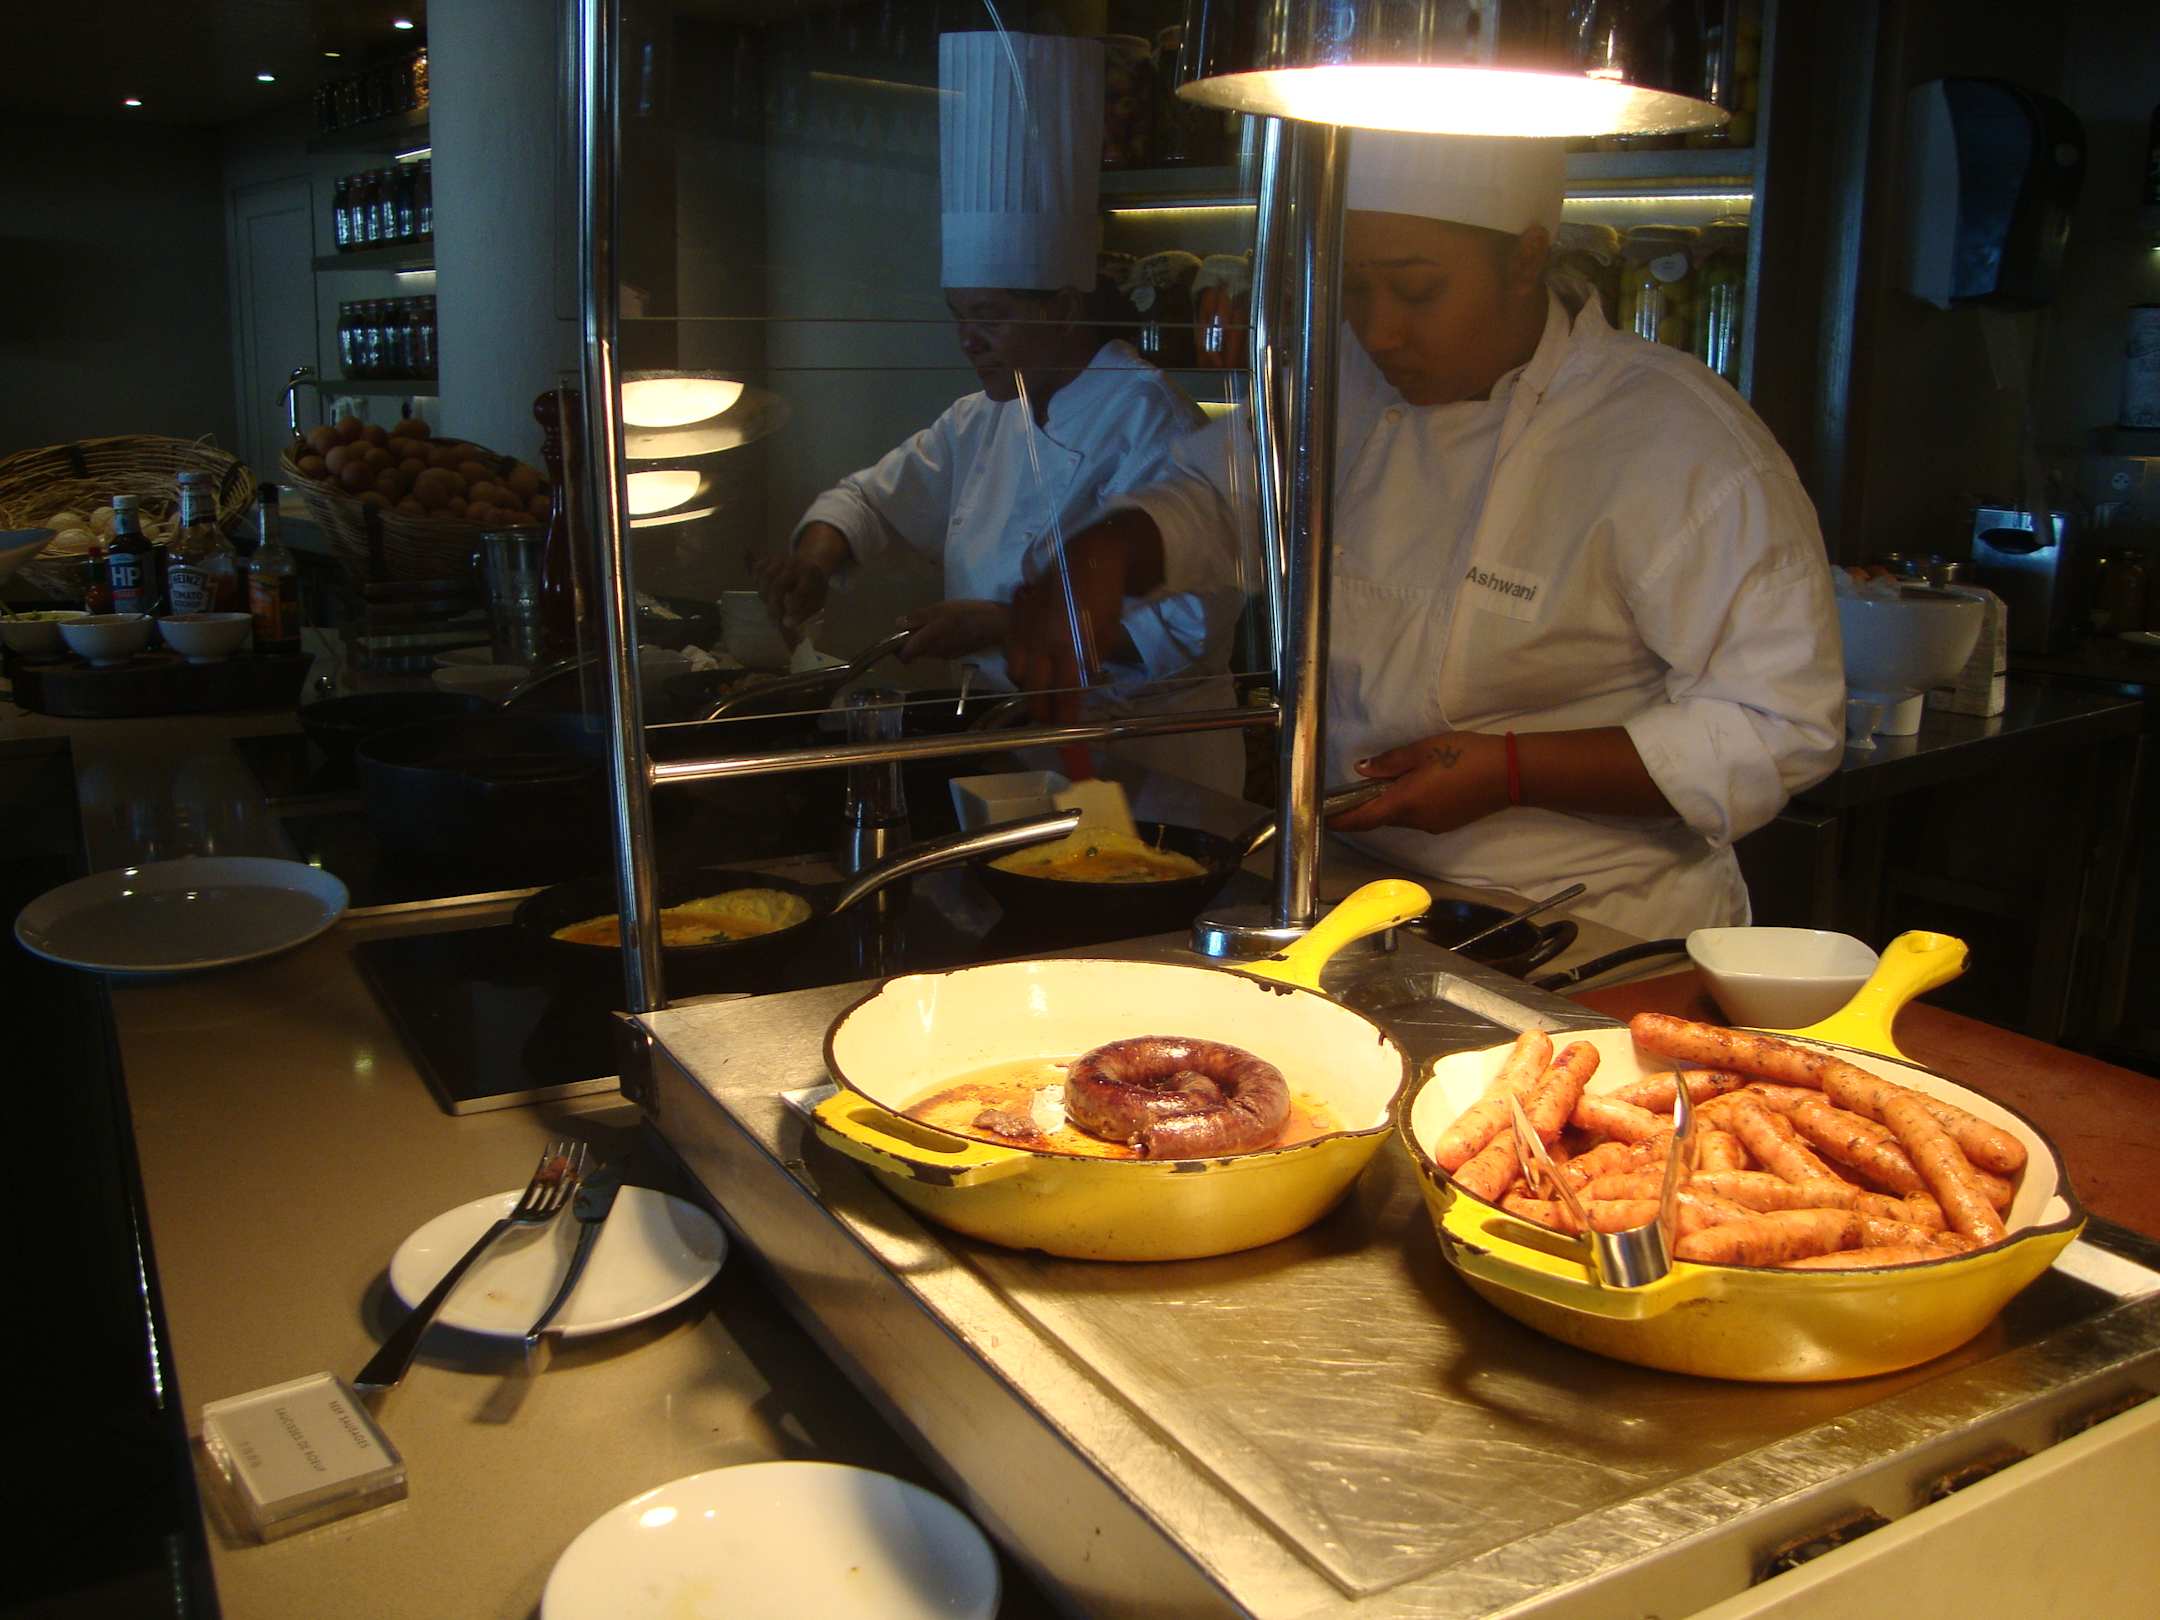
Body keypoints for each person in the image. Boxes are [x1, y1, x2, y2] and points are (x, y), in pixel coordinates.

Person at [1005, 134, 1844, 936]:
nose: (1379, 332)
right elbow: (1224, 502)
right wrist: (1105, 552)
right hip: (1351, 889)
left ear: (1526, 257)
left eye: (1416, 291)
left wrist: (1512, 771)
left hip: (1591, 921)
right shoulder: (1343, 375)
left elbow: (1780, 725)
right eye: (1354, 289)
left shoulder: (1677, 437)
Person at [755, 30, 1247, 795]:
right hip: (1021, 753)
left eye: (990, 316)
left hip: (1152, 767)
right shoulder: (982, 418)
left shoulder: (1154, 420)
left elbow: (1189, 628)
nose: (968, 341)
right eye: (958, 316)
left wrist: (1003, 623)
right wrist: (815, 559)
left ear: (1066, 308)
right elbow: (871, 501)